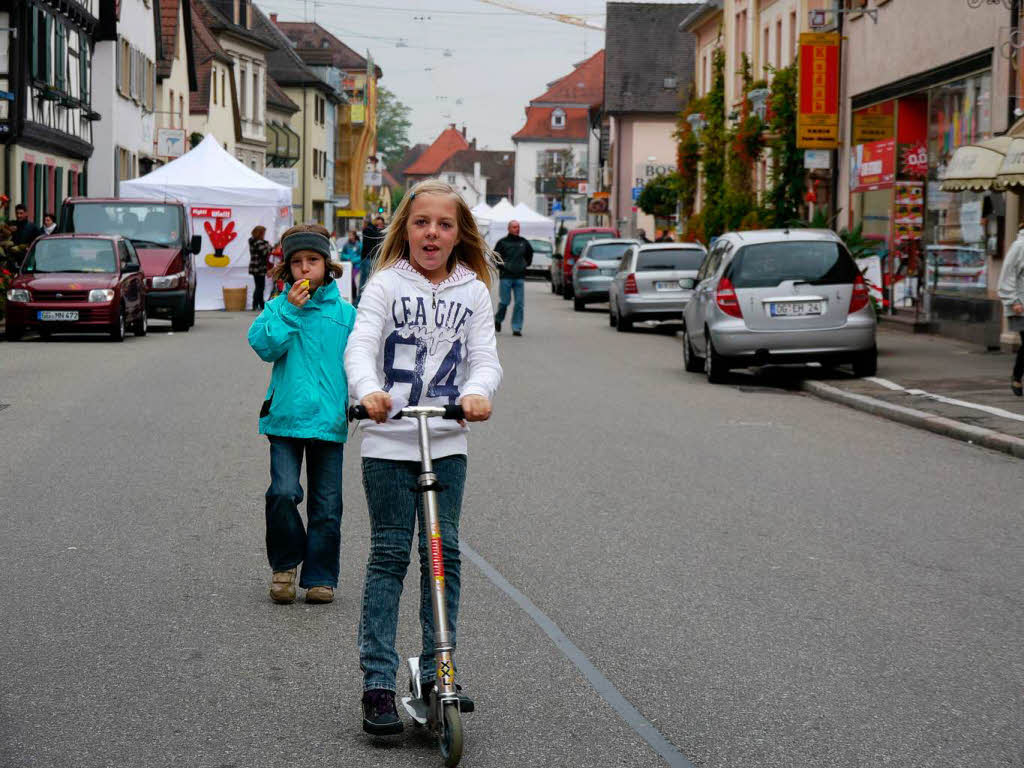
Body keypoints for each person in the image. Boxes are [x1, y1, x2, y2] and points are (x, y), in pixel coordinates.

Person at [344, 178, 502, 736]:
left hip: (446, 440)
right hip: (389, 441)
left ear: (459, 235)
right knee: (389, 554)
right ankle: (378, 683)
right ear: (404, 230)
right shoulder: (385, 284)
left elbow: (485, 357)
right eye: (421, 222)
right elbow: (361, 344)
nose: (431, 233)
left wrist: (479, 392)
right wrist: (368, 392)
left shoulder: (474, 292)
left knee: (444, 555)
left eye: (443, 224)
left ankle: (440, 670)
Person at [247, 224, 357, 605]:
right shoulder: (278, 307)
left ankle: (321, 575)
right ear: (287, 269)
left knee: (327, 506)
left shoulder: (346, 314)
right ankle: (284, 565)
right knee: (282, 492)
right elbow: (264, 346)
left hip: (329, 421)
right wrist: (290, 311)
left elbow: (360, 362)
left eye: (313, 261)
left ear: (327, 265)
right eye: (297, 263)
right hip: (285, 418)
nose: (305, 269)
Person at [492, 219, 533, 336]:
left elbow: (530, 253)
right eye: (514, 227)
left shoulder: (523, 242)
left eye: (518, 227)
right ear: (509, 229)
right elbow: (495, 257)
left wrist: (525, 264)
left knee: (519, 303)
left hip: (519, 277)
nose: (517, 229)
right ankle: (498, 319)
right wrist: (502, 267)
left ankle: (517, 328)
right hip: (506, 277)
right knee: (505, 302)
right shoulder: (502, 242)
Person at [998, 226, 1024, 396]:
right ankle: (1016, 375)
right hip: (1021, 304)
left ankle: (1017, 375)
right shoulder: (1019, 246)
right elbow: (1007, 274)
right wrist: (1012, 300)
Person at [358, 216, 386, 297]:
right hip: (367, 259)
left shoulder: (377, 231)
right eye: (378, 224)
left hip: (376, 259)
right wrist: (381, 230)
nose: (380, 226)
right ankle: (359, 300)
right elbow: (375, 236)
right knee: (364, 281)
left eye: (381, 224)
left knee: (374, 281)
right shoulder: (368, 230)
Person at [248, 226, 271, 311]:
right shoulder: (259, 242)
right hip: (259, 267)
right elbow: (265, 252)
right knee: (260, 287)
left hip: (254, 266)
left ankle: (257, 304)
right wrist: (268, 246)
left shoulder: (252, 241)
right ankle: (259, 304)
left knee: (258, 286)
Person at [340, 229, 362, 300]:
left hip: (356, 267)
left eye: (351, 235)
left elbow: (361, 256)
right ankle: (352, 297)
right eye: (348, 235)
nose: (349, 237)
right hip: (348, 267)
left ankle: (356, 297)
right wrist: (347, 258)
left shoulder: (359, 245)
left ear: (355, 236)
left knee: (354, 281)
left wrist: (353, 260)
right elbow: (342, 255)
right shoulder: (346, 245)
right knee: (349, 282)